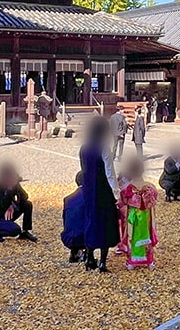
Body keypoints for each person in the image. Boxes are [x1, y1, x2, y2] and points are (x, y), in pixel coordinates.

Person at [79, 116, 120, 272]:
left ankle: (89, 257)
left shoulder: (83, 148)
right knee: (105, 224)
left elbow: (83, 169)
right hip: (103, 190)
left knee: (90, 220)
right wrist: (116, 192)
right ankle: (102, 261)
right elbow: (110, 173)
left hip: (89, 190)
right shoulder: (104, 148)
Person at [0, 162, 38, 243]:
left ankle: (26, 231)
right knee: (15, 230)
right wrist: (9, 190)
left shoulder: (13, 183)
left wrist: (13, 204)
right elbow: (1, 204)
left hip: (8, 213)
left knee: (27, 204)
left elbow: (25, 196)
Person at [119, 157, 159, 270]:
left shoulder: (127, 188)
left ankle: (132, 261)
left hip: (133, 217)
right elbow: (155, 198)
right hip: (147, 217)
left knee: (133, 236)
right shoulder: (150, 187)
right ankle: (149, 260)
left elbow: (122, 201)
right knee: (147, 234)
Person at [61, 172, 86, 262]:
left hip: (67, 236)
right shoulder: (90, 198)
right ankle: (86, 253)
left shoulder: (68, 198)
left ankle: (76, 251)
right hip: (83, 236)